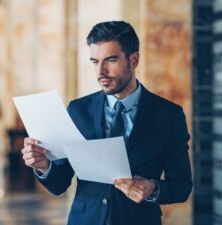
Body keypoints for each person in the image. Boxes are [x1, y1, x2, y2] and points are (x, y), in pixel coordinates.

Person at [21, 21, 192, 225]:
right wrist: (44, 166)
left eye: (110, 60)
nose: (100, 71)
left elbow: (182, 185)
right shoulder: (78, 110)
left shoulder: (168, 115)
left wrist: (152, 189)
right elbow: (59, 183)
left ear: (134, 60)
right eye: (95, 61)